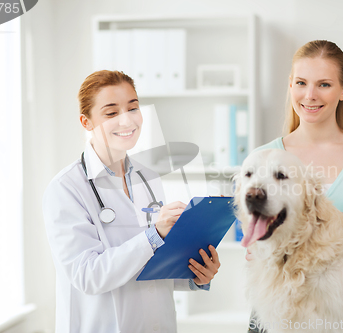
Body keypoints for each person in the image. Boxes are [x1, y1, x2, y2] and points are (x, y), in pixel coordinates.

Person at [42, 70, 220, 333]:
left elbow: (151, 267)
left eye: (133, 108)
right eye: (111, 113)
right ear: (86, 122)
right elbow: (88, 276)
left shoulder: (148, 177)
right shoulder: (66, 188)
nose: (127, 120)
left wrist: (195, 275)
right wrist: (153, 235)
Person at [246, 40, 343, 333]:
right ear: (290, 85)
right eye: (301, 82)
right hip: (276, 310)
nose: (309, 95)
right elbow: (250, 232)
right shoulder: (262, 159)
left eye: (324, 84)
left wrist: (340, 239)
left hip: (342, 307)